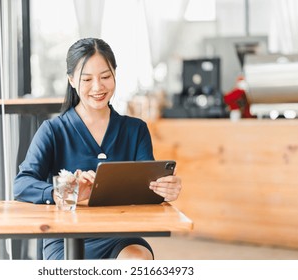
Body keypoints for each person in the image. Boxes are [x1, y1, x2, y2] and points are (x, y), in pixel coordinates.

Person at [13, 38, 182, 260]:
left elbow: (147, 190)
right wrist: (65, 192)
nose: (98, 87)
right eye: (87, 79)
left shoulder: (135, 129)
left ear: (115, 74)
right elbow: (22, 184)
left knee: (138, 260)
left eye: (105, 77)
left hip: (119, 234)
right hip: (65, 237)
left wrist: (165, 189)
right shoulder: (52, 130)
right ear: (72, 80)